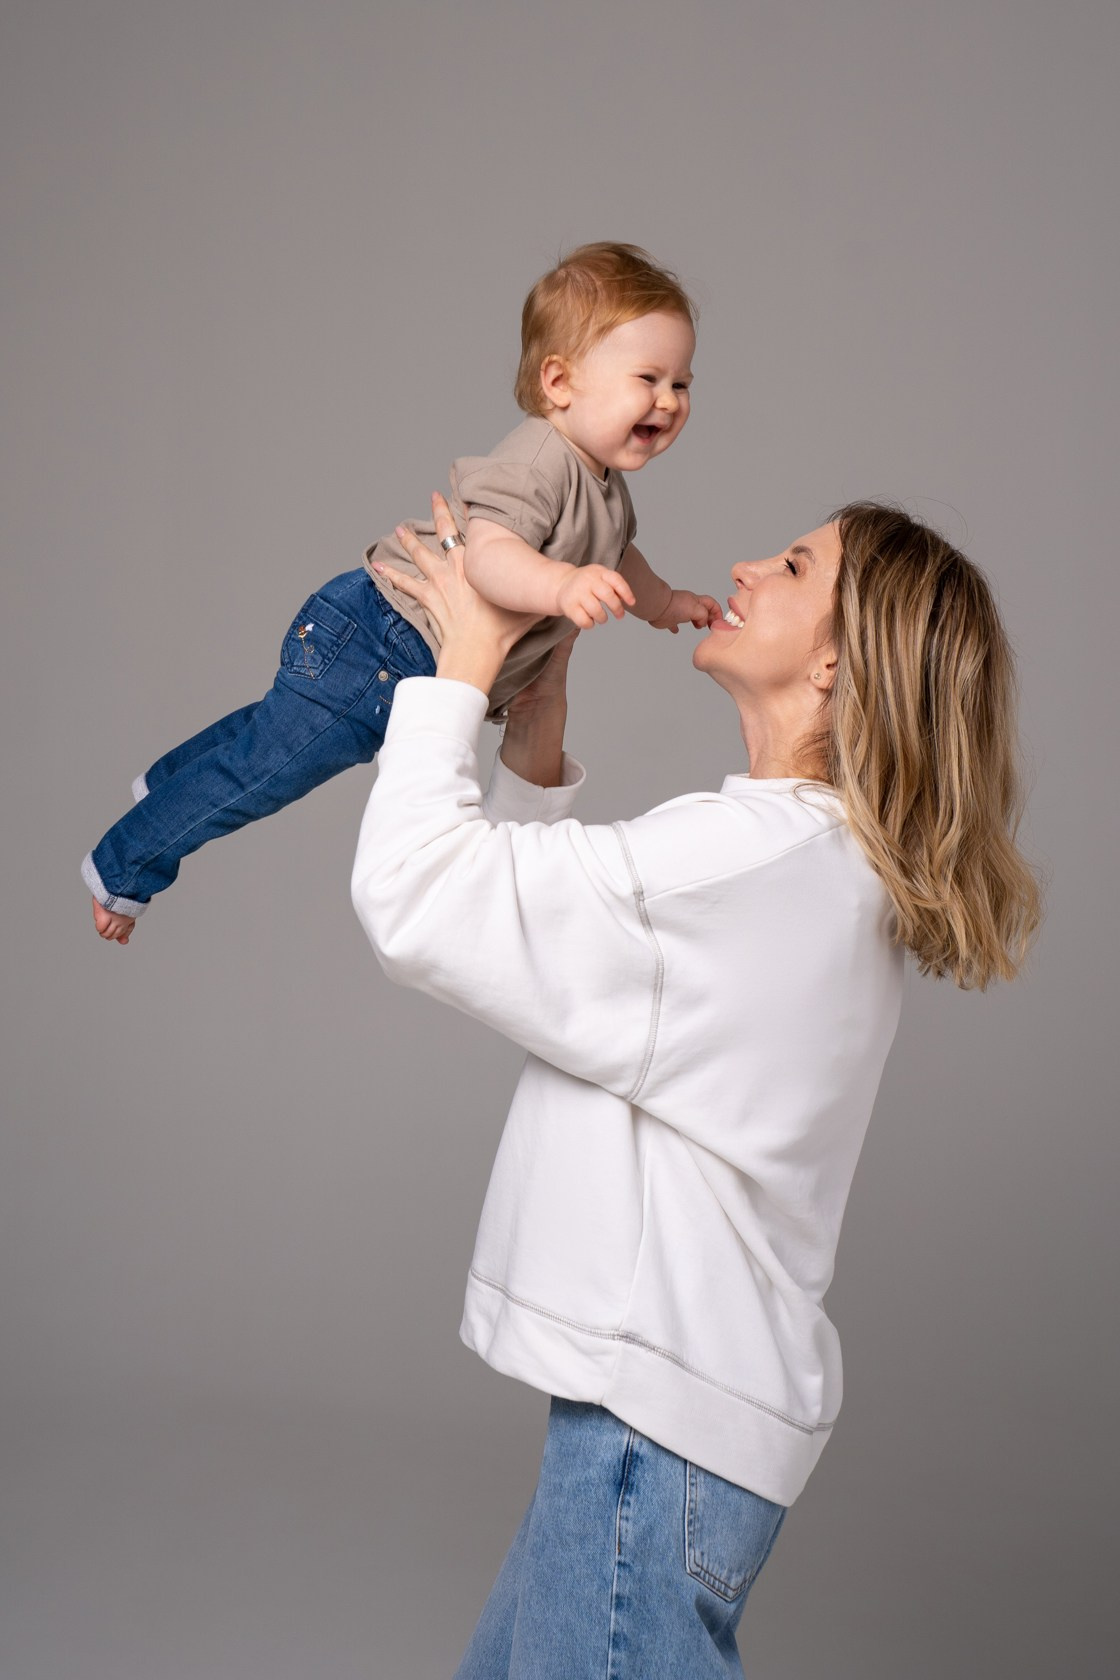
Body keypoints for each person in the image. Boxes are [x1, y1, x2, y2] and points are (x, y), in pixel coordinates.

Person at [350, 493, 1042, 1678]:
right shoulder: (806, 863)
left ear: (835, 659)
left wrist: (464, 656)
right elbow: (563, 975)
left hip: (647, 1446)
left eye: (791, 563)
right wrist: (535, 744)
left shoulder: (751, 865)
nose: (741, 567)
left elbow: (418, 899)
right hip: (654, 1435)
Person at [81, 242, 718, 944]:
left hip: (387, 650)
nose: (667, 401)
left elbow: (621, 555)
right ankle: (124, 867)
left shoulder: (605, 488)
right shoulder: (540, 459)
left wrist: (665, 604)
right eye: (648, 378)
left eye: (681, 384)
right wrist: (562, 584)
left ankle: (163, 786)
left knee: (264, 737)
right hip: (380, 641)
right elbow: (489, 556)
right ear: (560, 382)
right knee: (264, 772)